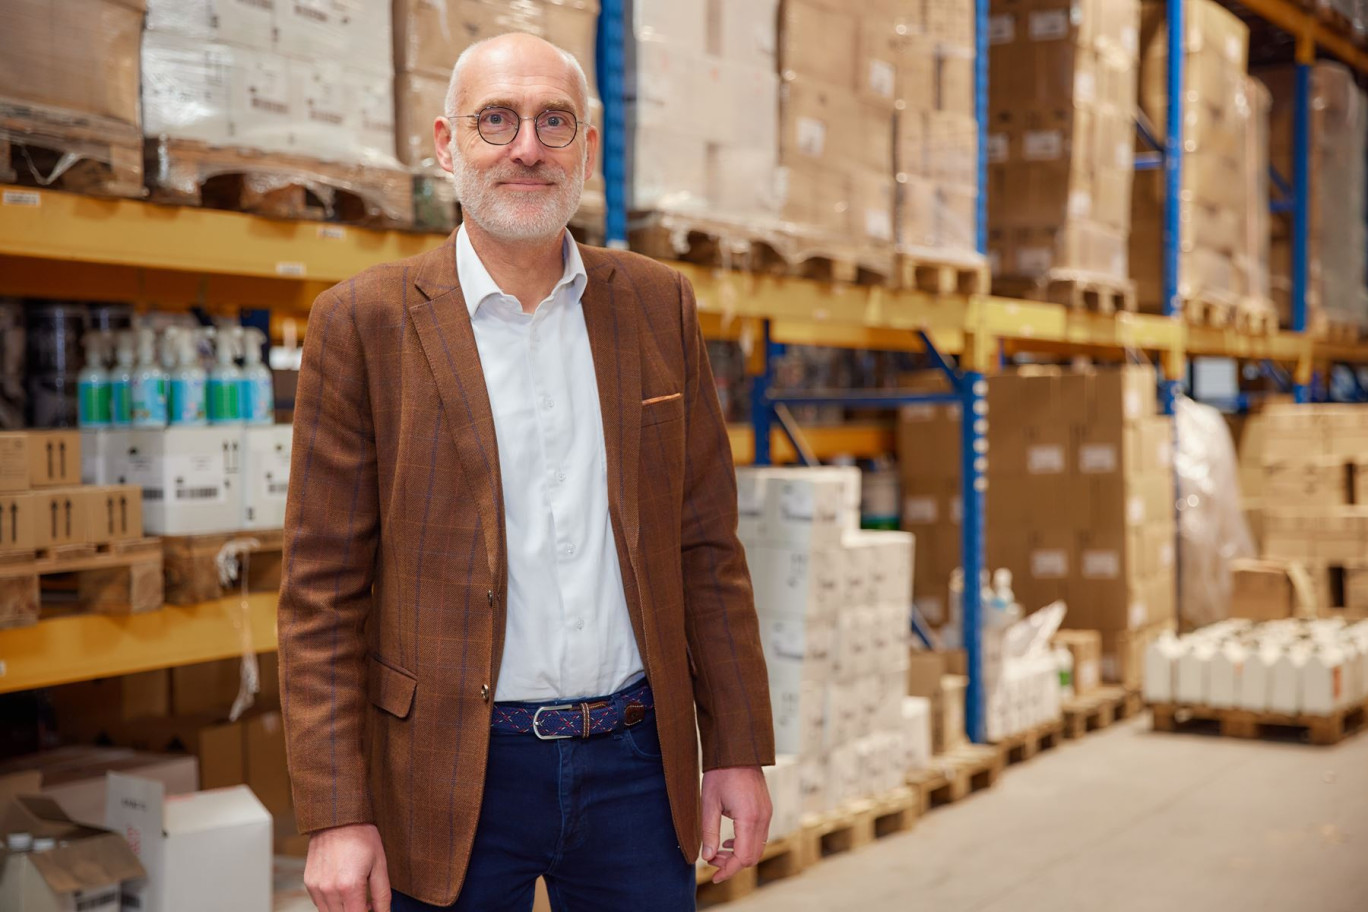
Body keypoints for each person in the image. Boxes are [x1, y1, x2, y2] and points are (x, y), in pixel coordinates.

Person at [278, 32, 775, 912]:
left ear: (587, 148)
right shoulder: (364, 325)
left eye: (554, 122)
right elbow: (321, 593)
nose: (526, 149)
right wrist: (334, 812)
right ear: (445, 144)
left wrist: (733, 746)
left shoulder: (659, 305)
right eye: (495, 121)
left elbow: (706, 548)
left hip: (632, 763)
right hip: (445, 769)